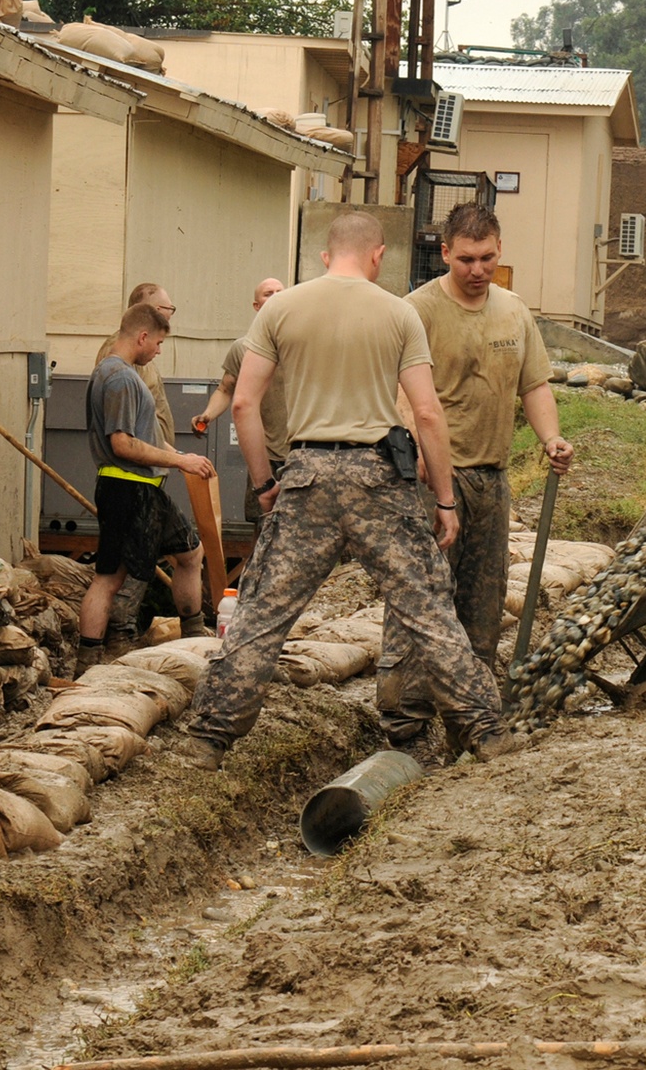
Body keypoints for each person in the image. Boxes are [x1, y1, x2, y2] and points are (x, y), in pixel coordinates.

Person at [178, 212, 521, 769]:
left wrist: (266, 481)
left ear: (323, 256)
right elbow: (428, 415)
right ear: (378, 256)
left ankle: (209, 738)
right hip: (377, 480)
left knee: (262, 613)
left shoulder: (280, 309)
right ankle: (485, 731)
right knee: (428, 611)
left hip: (307, 472)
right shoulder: (399, 313)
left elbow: (242, 404)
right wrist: (443, 498)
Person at [378, 203, 575, 749]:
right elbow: (398, 394)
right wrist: (414, 447)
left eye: (487, 257)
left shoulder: (514, 312)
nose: (477, 269)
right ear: (444, 253)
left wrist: (550, 438)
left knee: (482, 607)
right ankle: (405, 727)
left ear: (500, 250)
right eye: (466, 259)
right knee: (421, 602)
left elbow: (533, 386)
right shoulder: (416, 311)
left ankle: (471, 722)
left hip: (491, 479)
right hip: (430, 481)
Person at [79, 302, 217, 667]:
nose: (157, 351)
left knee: (189, 552)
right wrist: (178, 461)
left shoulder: (119, 373)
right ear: (141, 336)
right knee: (110, 578)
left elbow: (147, 434)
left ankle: (194, 632)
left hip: (144, 489)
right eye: (157, 343)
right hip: (127, 489)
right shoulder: (121, 379)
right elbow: (122, 443)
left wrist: (180, 455)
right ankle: (92, 659)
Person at [194, 277, 291, 525]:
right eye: (269, 293)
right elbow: (226, 390)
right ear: (256, 305)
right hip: (264, 454)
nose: (276, 296)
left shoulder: (302, 344)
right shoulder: (243, 348)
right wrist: (207, 415)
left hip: (301, 451)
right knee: (264, 524)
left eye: (281, 292)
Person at [97, 284, 178, 454]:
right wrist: (177, 459)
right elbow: (124, 435)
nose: (171, 313)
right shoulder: (120, 365)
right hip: (134, 467)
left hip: (148, 463)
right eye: (169, 308)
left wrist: (176, 457)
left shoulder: (138, 356)